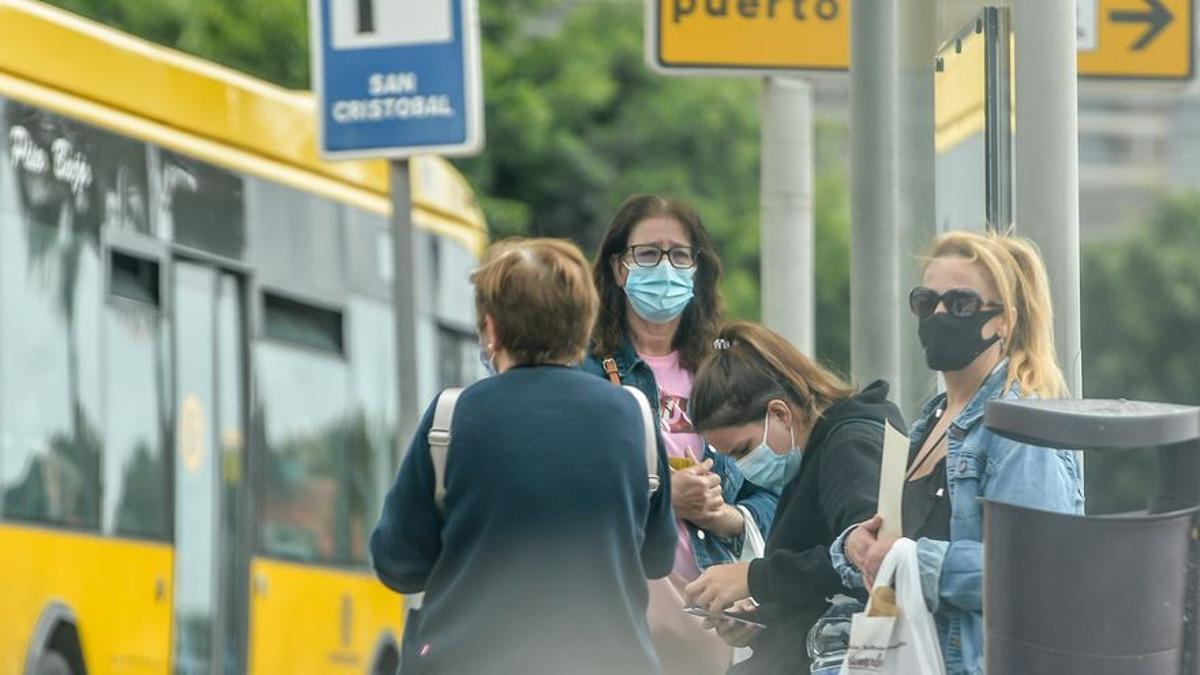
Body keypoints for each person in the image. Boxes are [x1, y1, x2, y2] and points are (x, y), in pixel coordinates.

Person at [369, 238, 677, 675]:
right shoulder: (633, 416)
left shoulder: (451, 418)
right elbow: (657, 557)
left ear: (491, 329)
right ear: (582, 326)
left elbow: (397, 564)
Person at [833, 230, 1085, 675]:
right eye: (926, 301)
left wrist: (913, 558)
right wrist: (857, 547)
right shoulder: (927, 425)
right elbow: (893, 552)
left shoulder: (1020, 430)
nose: (940, 314)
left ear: (1003, 320)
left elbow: (1038, 575)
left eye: (961, 303)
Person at [581, 195, 778, 675]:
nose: (664, 267)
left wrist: (730, 517)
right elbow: (567, 488)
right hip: (614, 611)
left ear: (696, 269)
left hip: (709, 617)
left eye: (679, 255)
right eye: (648, 254)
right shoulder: (585, 370)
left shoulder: (726, 369)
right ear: (619, 267)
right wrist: (663, 498)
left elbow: (773, 489)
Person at [682, 321, 906, 675]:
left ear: (781, 413)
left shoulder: (848, 447)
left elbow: (868, 559)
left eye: (743, 449)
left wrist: (754, 578)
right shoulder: (811, 454)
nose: (742, 468)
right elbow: (822, 584)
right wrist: (762, 619)